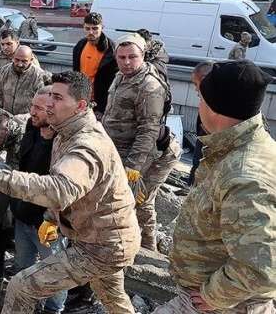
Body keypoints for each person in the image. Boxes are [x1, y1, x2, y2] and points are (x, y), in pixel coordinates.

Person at [0, 71, 140, 314]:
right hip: (104, 238)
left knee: (21, 287)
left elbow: (61, 188)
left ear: (80, 106)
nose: (49, 103)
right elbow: (77, 190)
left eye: (58, 98)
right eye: (50, 95)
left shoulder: (87, 144)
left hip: (102, 246)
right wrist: (52, 219)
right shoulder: (65, 133)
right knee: (113, 298)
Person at [153, 60, 276, 314]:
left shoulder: (244, 176)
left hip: (223, 306)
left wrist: (214, 296)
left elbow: (260, 266)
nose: (199, 105)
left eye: (201, 98)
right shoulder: (241, 148)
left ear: (215, 108)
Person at [102, 34, 181, 251]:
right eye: (122, 57)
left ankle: (147, 248)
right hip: (125, 149)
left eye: (132, 57)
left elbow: (148, 130)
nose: (127, 62)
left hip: (152, 153)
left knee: (141, 200)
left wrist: (133, 167)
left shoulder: (149, 86)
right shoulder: (121, 77)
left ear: (143, 55)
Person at [11, 85, 69, 314]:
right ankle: (25, 303)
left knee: (56, 272)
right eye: (32, 106)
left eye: (38, 108)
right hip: (23, 215)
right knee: (22, 265)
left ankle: (53, 310)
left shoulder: (65, 141)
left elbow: (65, 189)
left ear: (53, 110)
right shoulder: (31, 127)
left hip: (48, 222)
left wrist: (52, 220)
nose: (32, 112)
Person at [72, 12, 117, 120]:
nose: (91, 32)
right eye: (87, 28)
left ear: (102, 28)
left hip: (99, 103)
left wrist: (101, 108)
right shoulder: (80, 45)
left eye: (95, 28)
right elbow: (76, 74)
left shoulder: (111, 50)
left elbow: (112, 84)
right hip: (81, 99)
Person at [0, 30, 40, 107]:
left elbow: (38, 82)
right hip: (5, 104)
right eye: (2, 44)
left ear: (17, 42)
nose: (5, 47)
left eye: (9, 44)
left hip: (24, 105)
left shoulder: (28, 58)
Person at [0, 45, 50, 115]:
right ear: (13, 58)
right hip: (6, 117)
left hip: (28, 119)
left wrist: (19, 119)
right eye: (17, 60)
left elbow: (41, 105)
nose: (20, 64)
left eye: (24, 61)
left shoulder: (39, 76)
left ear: (31, 60)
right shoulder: (4, 71)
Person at [187, 60, 215, 186]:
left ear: (204, 80)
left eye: (195, 84)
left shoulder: (215, 109)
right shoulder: (206, 103)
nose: (195, 89)